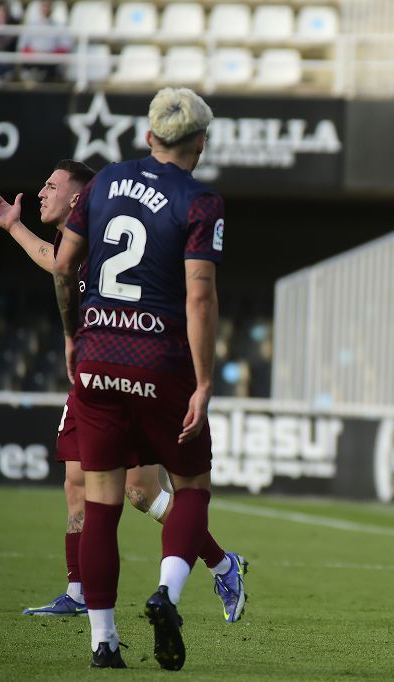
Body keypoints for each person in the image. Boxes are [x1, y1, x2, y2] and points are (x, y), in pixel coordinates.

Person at [0, 162, 246, 623]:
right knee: (75, 482)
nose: (41, 191)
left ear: (77, 199)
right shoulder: (79, 242)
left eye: (52, 185)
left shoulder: (104, 235)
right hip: (93, 376)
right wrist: (14, 226)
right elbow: (54, 260)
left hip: (131, 373)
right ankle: (78, 589)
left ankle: (223, 565)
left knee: (142, 494)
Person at [53, 87, 228, 670]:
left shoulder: (102, 183)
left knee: (101, 505)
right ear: (200, 143)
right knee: (193, 487)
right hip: (160, 364)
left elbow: (63, 264)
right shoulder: (201, 202)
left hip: (97, 360)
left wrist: (74, 332)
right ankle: (167, 594)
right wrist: (203, 382)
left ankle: (103, 642)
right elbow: (199, 295)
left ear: (150, 137)